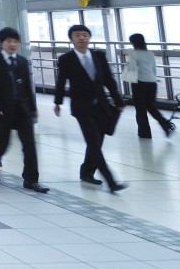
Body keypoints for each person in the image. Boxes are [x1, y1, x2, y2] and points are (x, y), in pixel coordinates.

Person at [54, 24, 127, 192]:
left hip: (101, 105)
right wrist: (57, 102)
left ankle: (87, 171)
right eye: (78, 35)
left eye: (85, 35)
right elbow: (61, 81)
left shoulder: (99, 56)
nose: (82, 38)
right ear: (71, 39)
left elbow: (109, 79)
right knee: (93, 142)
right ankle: (111, 181)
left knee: (97, 142)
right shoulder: (66, 59)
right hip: (82, 108)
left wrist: (118, 100)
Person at [0, 28, 48, 193]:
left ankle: (31, 180)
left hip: (22, 110)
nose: (12, 45)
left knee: (29, 146)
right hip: (3, 110)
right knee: (3, 143)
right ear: (0, 43)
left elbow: (28, 86)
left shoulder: (21, 61)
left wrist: (33, 108)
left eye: (15, 41)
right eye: (8, 41)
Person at [124, 34, 173, 139]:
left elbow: (131, 68)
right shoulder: (150, 54)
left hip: (139, 83)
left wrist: (128, 63)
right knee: (150, 106)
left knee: (140, 109)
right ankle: (165, 124)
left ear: (133, 43)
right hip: (152, 83)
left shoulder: (134, 54)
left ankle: (144, 133)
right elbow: (154, 70)